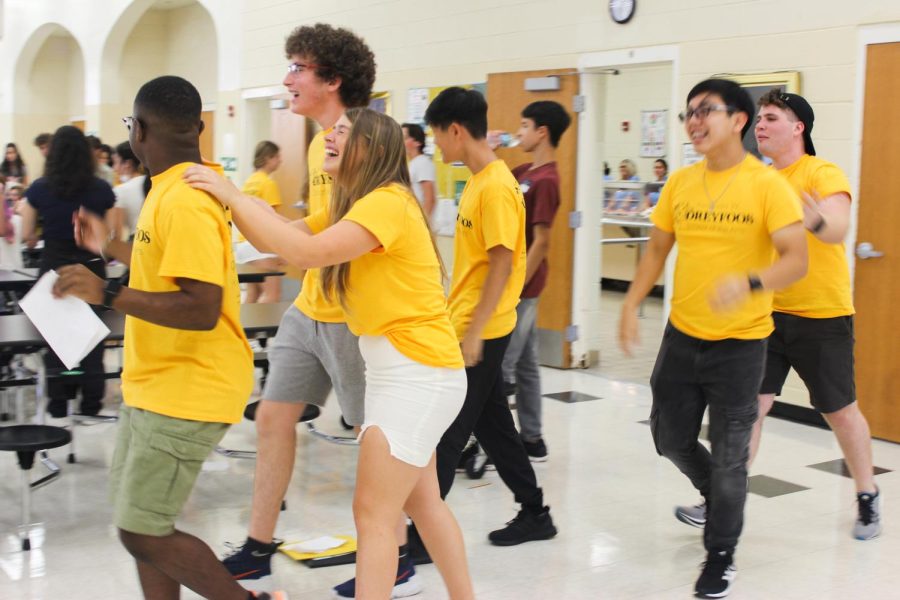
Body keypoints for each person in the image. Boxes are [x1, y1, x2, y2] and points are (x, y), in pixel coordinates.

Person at [185, 107, 474, 600]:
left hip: (417, 375)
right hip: (400, 374)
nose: (329, 139)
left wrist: (234, 194)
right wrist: (227, 208)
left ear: (371, 149)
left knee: (373, 512)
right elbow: (277, 239)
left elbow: (308, 256)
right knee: (422, 503)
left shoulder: (387, 203)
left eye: (342, 133)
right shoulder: (354, 207)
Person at [53, 75, 285, 600]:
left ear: (139, 131)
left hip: (188, 388)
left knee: (142, 528)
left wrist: (107, 295)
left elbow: (202, 308)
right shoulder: (173, 189)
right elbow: (164, 269)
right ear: (197, 128)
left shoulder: (184, 198)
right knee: (141, 528)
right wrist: (111, 246)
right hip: (154, 383)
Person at [618, 78, 808, 598]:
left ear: (738, 120)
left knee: (730, 456)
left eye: (706, 111)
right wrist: (632, 304)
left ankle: (720, 554)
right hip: (681, 339)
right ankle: (715, 495)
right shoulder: (681, 183)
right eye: (689, 113)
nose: (695, 122)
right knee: (670, 438)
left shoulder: (767, 185)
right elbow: (656, 250)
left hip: (742, 346)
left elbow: (796, 259)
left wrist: (750, 282)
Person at [216, 23, 387, 595]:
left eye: (297, 67)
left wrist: (245, 210)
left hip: (353, 316)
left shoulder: (361, 141)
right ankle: (257, 548)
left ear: (331, 79)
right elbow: (322, 220)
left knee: (378, 443)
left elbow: (351, 233)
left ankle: (395, 552)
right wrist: (257, 239)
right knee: (271, 416)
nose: (287, 79)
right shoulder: (319, 142)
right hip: (308, 307)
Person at [425, 86, 558, 546]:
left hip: (482, 330)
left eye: (438, 135)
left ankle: (422, 539)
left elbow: (503, 262)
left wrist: (475, 333)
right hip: (468, 322)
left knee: (445, 434)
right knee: (496, 429)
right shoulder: (482, 180)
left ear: (457, 131)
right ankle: (535, 512)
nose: (436, 145)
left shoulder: (497, 188)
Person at [750, 90, 879, 539]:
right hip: (767, 315)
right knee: (751, 407)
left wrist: (815, 220)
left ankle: (867, 494)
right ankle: (721, 498)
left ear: (798, 127)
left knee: (839, 411)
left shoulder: (820, 172)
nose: (759, 126)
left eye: (769, 118)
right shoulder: (760, 179)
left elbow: (838, 224)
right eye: (757, 119)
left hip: (821, 315)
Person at [18, 126, 115, 418]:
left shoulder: (38, 188)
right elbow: (109, 239)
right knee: (93, 339)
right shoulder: (102, 190)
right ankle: (91, 403)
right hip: (92, 270)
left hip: (54, 270)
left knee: (55, 339)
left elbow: (27, 235)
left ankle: (58, 402)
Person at [500, 100, 571, 462]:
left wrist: (515, 289)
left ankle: (489, 445)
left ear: (542, 132)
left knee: (503, 367)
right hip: (516, 282)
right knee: (526, 362)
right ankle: (532, 439)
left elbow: (542, 242)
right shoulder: (526, 170)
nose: (519, 133)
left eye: (524, 126)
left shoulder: (547, 181)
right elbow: (497, 179)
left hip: (524, 287)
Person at [235, 140, 284, 304]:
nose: (280, 161)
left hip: (243, 244)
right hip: (261, 245)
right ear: (268, 158)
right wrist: (282, 250)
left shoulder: (249, 182)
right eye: (277, 157)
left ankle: (242, 330)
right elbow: (273, 220)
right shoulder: (268, 183)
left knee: (252, 294)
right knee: (271, 295)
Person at [110, 141, 150, 241]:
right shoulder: (151, 181)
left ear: (127, 164)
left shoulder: (120, 191)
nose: (114, 168)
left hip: (136, 240)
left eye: (116, 162)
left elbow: (117, 232)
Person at [402, 123, 436, 220]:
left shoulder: (423, 162)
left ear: (417, 142)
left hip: (420, 228)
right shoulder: (412, 164)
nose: (401, 142)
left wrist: (422, 225)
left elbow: (430, 200)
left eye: (405, 138)